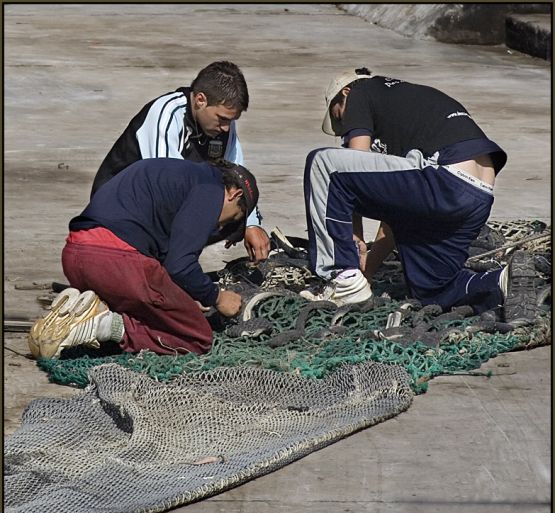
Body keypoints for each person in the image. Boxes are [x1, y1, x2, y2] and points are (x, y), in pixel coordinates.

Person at [301, 67, 536, 324]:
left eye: (340, 117)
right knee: (433, 291)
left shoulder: (360, 90)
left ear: (344, 93)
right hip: (474, 195)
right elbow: (394, 213)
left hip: (443, 173)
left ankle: (340, 277)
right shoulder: (410, 110)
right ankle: (502, 280)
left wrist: (350, 237)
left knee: (323, 163)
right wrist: (366, 269)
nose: (344, 131)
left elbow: (353, 161)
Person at [28, 157, 259, 360]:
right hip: (117, 263)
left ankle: (76, 312)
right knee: (195, 336)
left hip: (76, 256)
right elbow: (180, 265)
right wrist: (216, 297)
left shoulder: (180, 175)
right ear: (234, 193)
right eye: (232, 219)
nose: (220, 226)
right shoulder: (211, 189)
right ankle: (104, 325)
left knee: (165, 311)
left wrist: (183, 296)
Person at [91, 60, 270, 263]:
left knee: (234, 210)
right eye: (222, 119)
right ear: (200, 100)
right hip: (116, 216)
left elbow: (239, 177)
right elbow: (165, 191)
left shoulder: (223, 128)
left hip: (159, 213)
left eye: (231, 120)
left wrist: (251, 223)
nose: (226, 128)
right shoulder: (166, 113)